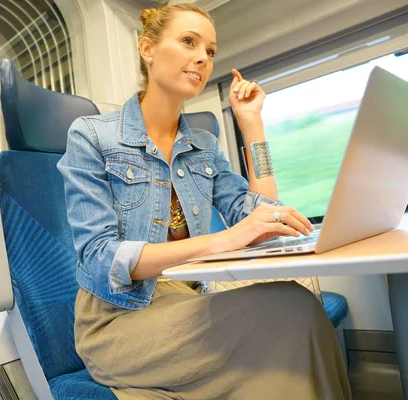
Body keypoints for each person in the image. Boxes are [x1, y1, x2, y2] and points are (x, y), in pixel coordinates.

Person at [57, 3, 351, 399]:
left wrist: (252, 124)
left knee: (297, 299)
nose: (202, 57)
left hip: (188, 297)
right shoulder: (92, 136)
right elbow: (98, 257)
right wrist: (223, 241)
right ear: (148, 49)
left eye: (210, 51)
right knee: (291, 311)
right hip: (117, 319)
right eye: (188, 42)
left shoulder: (204, 147)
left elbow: (261, 216)